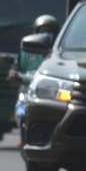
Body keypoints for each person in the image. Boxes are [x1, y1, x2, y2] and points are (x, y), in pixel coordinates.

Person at [7, 15, 60, 145]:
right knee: (20, 111)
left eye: (49, 30)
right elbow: (16, 64)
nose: (45, 34)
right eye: (42, 30)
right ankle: (22, 135)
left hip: (48, 91)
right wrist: (13, 73)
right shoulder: (27, 49)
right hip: (27, 89)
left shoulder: (57, 51)